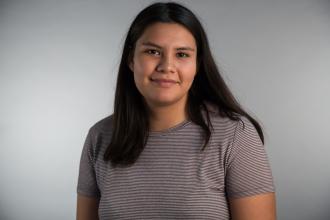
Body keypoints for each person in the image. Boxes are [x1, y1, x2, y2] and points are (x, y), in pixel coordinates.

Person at [76, 2, 276, 220]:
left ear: (197, 65)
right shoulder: (99, 137)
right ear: (131, 60)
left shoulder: (236, 135)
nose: (167, 66)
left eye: (182, 54)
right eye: (152, 51)